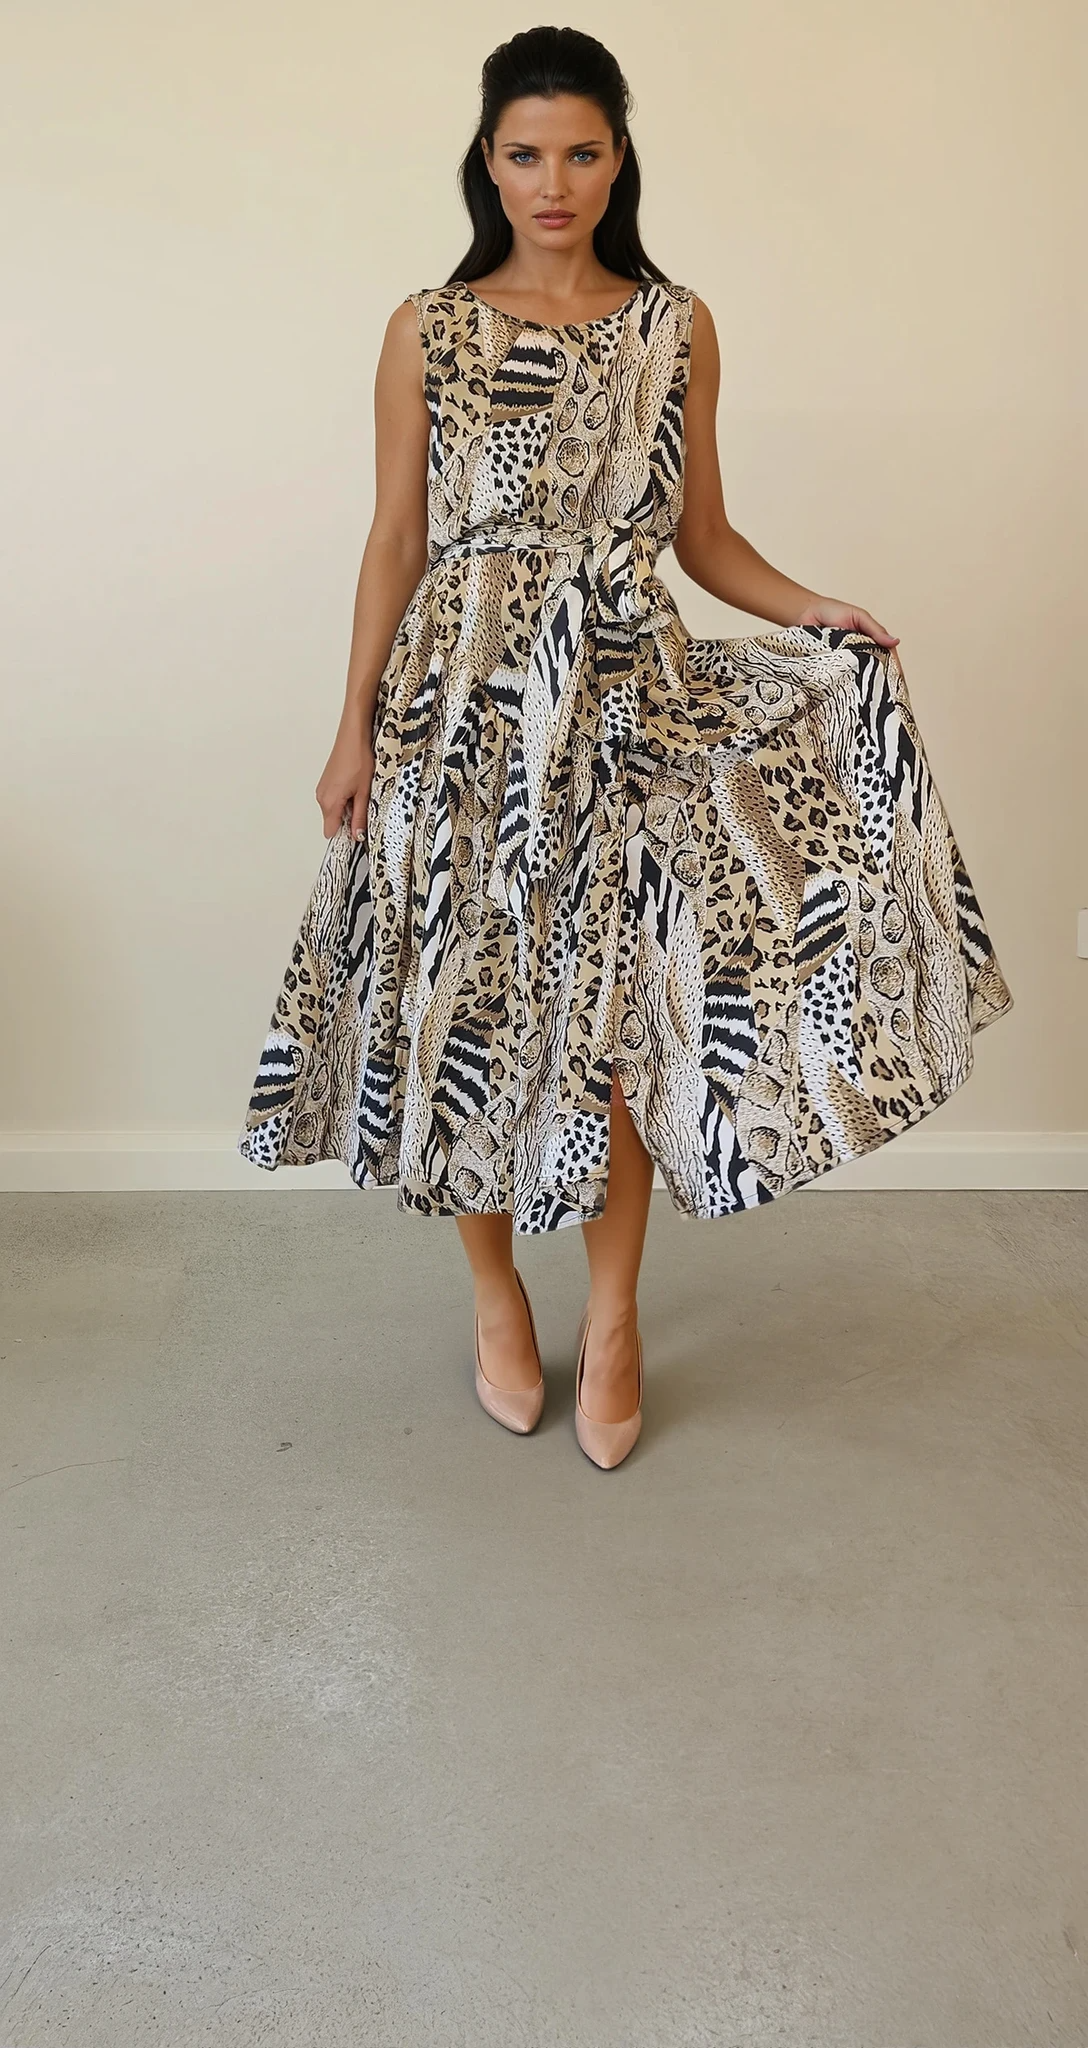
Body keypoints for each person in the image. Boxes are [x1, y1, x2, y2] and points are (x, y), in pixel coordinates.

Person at [239, 26, 1013, 1469]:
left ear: (619, 158)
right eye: (526, 153)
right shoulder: (429, 326)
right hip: (457, 714)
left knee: (612, 1030)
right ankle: (492, 1306)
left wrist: (816, 608)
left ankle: (612, 1324)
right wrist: (349, 724)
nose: (554, 181)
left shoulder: (675, 324)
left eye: (582, 151)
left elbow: (703, 536)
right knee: (466, 1019)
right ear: (487, 160)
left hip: (625, 710)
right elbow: (397, 538)